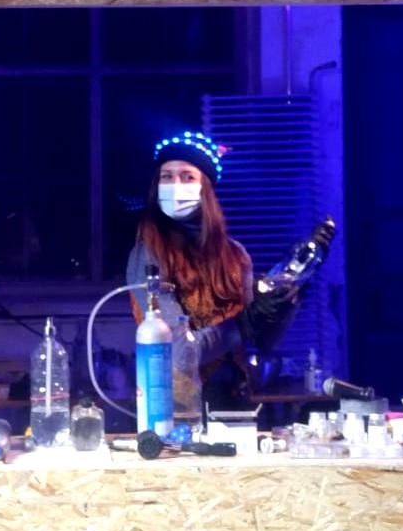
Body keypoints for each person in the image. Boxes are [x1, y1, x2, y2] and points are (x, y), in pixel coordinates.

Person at [126, 130, 307, 405]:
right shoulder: (148, 254)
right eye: (166, 176)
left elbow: (261, 342)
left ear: (206, 189)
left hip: (235, 400)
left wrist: (284, 305)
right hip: (173, 406)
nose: (175, 185)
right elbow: (180, 353)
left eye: (187, 176)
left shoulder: (236, 256)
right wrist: (243, 322)